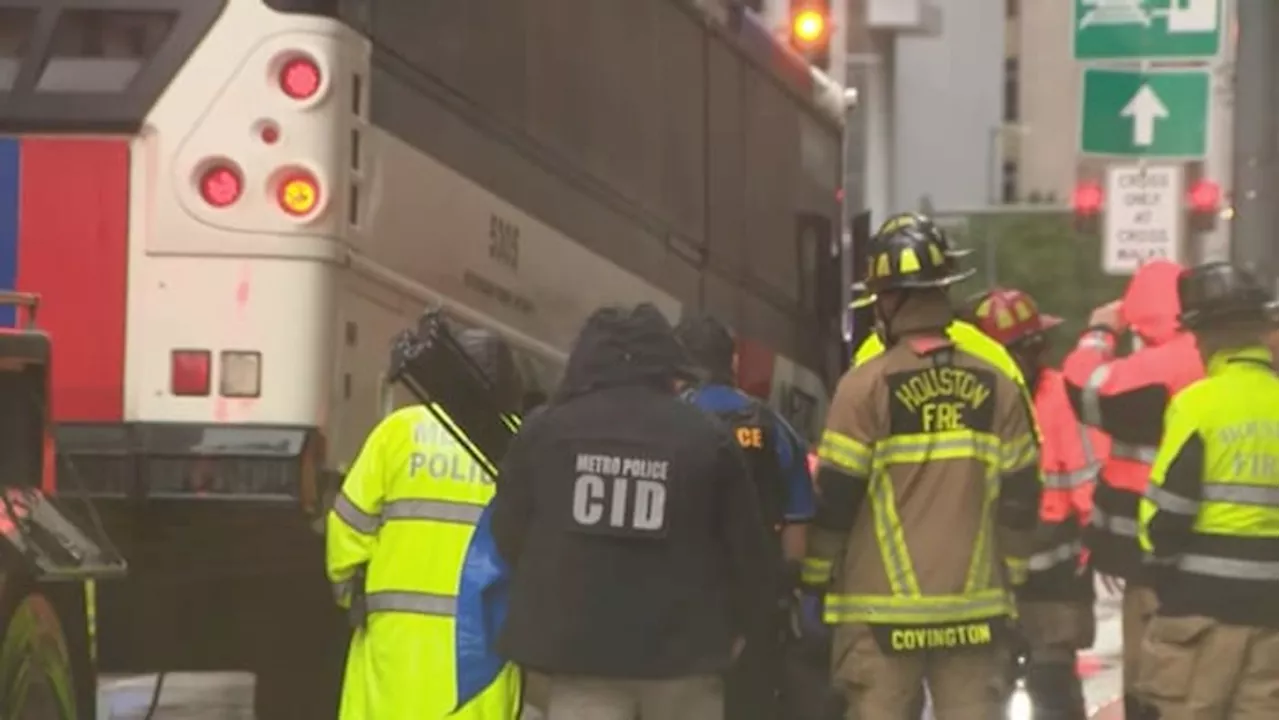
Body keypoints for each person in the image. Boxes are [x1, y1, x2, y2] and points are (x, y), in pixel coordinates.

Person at [489, 303, 774, 720]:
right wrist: (741, 630)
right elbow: (748, 553)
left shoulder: (544, 431)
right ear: (666, 364)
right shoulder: (706, 438)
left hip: (579, 657)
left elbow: (508, 533)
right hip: (684, 660)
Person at [808, 221, 1041, 718]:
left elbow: (837, 496)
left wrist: (813, 574)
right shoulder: (999, 386)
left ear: (888, 301)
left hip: (880, 617)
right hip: (973, 612)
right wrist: (1014, 575)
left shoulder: (863, 387)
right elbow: (1021, 496)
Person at [326, 328, 526, 720]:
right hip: (478, 650)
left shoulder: (398, 432)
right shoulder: (518, 444)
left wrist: (351, 593)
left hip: (394, 640)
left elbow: (347, 525)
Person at [1134, 261, 1280, 718]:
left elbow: (1168, 514)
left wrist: (1157, 567)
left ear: (1208, 336)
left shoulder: (1197, 404)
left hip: (1199, 609)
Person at [1061, 260, 1205, 719]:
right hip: (1217, 551)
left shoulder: (1160, 366)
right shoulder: (1213, 358)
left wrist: (1100, 333)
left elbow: (1084, 387)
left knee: (1151, 687)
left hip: (1147, 557)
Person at [673, 313, 818, 720]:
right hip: (756, 602)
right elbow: (797, 523)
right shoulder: (775, 427)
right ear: (732, 364)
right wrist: (783, 591)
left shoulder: (671, 418)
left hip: (682, 601)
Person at [970, 288, 1106, 719]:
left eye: (1037, 345)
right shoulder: (979, 399)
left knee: (1051, 686)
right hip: (995, 579)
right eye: (1029, 346)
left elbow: (1089, 483)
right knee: (985, 689)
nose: (1037, 354)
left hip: (1049, 580)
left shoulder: (1056, 398)